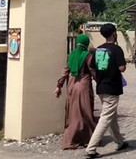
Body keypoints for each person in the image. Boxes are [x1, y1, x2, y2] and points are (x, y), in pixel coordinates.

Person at [85, 23, 128, 158]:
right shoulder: (116, 49)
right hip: (112, 88)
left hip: (101, 87)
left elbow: (92, 68)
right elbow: (122, 68)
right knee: (106, 117)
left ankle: (119, 142)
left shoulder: (98, 50)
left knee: (111, 115)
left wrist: (98, 79)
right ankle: (91, 149)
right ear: (114, 33)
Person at [54, 34, 96, 149]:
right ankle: (85, 139)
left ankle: (73, 139)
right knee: (85, 114)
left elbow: (65, 72)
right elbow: (93, 72)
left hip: (71, 86)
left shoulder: (71, 55)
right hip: (83, 87)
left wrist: (59, 86)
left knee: (73, 114)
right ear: (86, 43)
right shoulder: (88, 56)